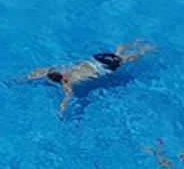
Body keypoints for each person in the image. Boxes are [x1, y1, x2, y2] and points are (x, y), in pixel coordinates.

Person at [25, 41, 156, 116]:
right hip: (94, 60)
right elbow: (43, 71)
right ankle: (131, 44)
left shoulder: (67, 84)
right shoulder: (62, 70)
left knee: (125, 60)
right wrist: (25, 78)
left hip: (102, 68)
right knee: (117, 54)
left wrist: (61, 112)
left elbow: (66, 100)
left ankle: (146, 50)